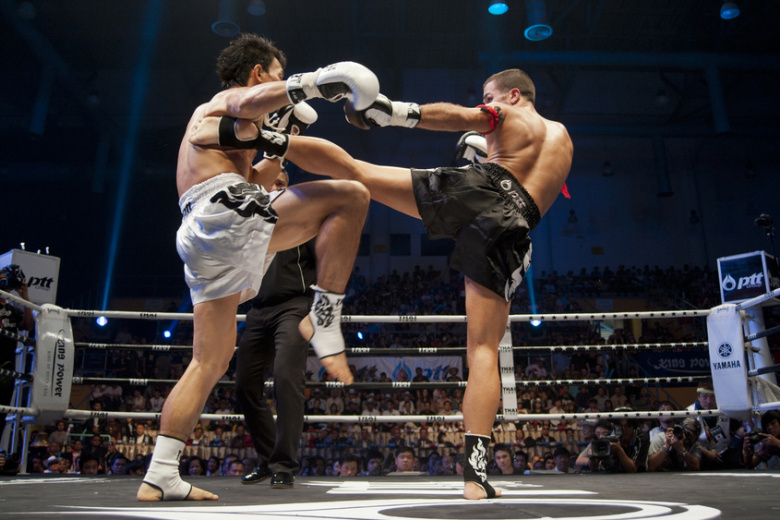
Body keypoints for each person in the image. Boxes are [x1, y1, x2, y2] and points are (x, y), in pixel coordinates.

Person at [193, 67, 573, 500]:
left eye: (491, 96)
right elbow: (526, 180)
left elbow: (463, 117)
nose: (487, 103)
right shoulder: (563, 140)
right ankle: (476, 477)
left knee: (358, 173)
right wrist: (485, 153)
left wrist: (393, 112)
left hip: (485, 189)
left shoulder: (507, 112)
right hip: (517, 227)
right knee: (484, 349)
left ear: (514, 95)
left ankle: (269, 140)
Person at [137, 32, 377, 502]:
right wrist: (313, 83)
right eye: (277, 75)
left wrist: (282, 142)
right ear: (258, 72)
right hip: (222, 210)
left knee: (209, 361)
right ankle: (325, 315)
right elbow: (249, 103)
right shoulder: (223, 101)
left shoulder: (231, 132)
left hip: (205, 230)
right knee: (351, 197)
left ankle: (160, 473)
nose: (280, 86)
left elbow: (258, 178)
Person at [235, 169, 318, 491]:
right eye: (269, 183)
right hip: (257, 309)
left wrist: (317, 306)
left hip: (295, 305)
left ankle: (284, 465)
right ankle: (268, 457)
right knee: (245, 386)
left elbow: (326, 260)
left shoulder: (301, 220)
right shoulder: (247, 221)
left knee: (286, 378)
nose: (274, 188)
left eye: (280, 184)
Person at [0, 266, 34, 441]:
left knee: (2, 410)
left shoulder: (13, 308)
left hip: (7, 364)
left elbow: (27, 325)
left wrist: (25, 297)